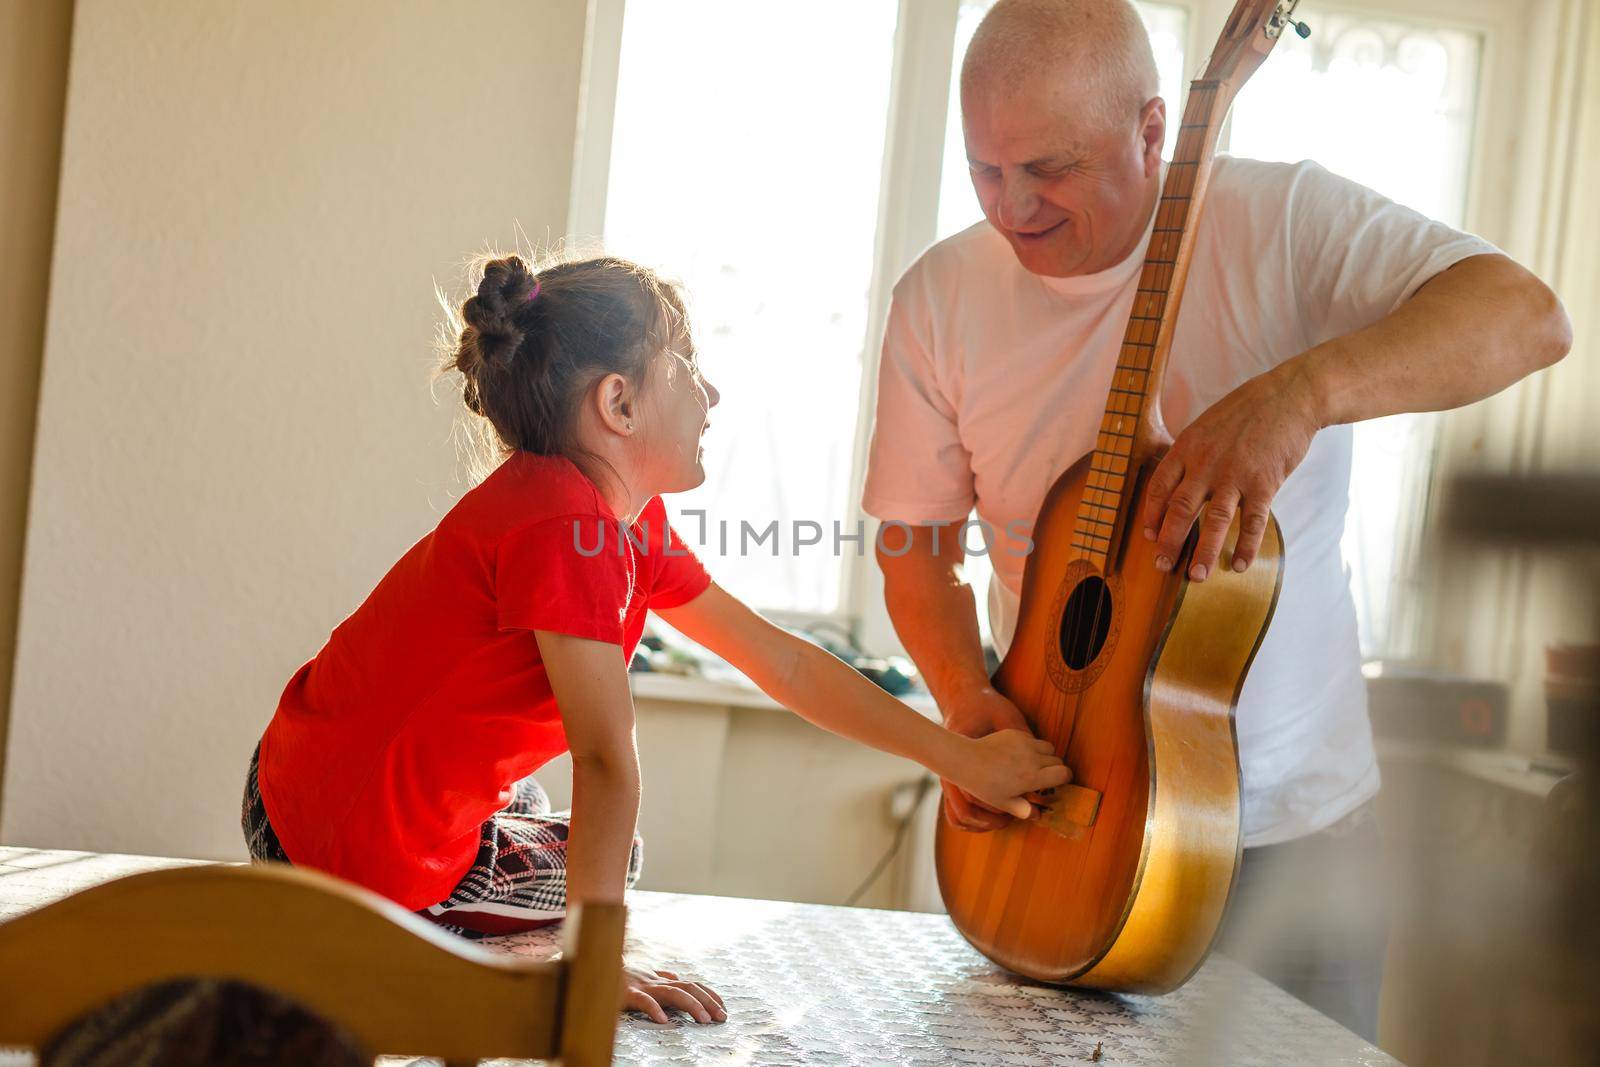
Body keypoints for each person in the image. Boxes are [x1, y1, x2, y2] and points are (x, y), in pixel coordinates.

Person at [861, 0, 1571, 1041]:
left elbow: (1528, 315)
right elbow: (914, 545)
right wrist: (967, 702)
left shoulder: (1286, 222)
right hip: (1057, 827)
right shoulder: (938, 299)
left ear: (1154, 130)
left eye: (1048, 168)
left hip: (1295, 849)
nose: (1011, 207)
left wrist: (1303, 391)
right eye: (984, 169)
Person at [242, 253, 1070, 1025]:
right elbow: (605, 761)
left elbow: (779, 659)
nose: (713, 393)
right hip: (337, 858)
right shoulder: (564, 527)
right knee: (614, 860)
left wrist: (957, 756)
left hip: (299, 771)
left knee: (561, 830)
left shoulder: (616, 519)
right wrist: (593, 966)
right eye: (686, 365)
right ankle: (422, 920)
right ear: (620, 404)